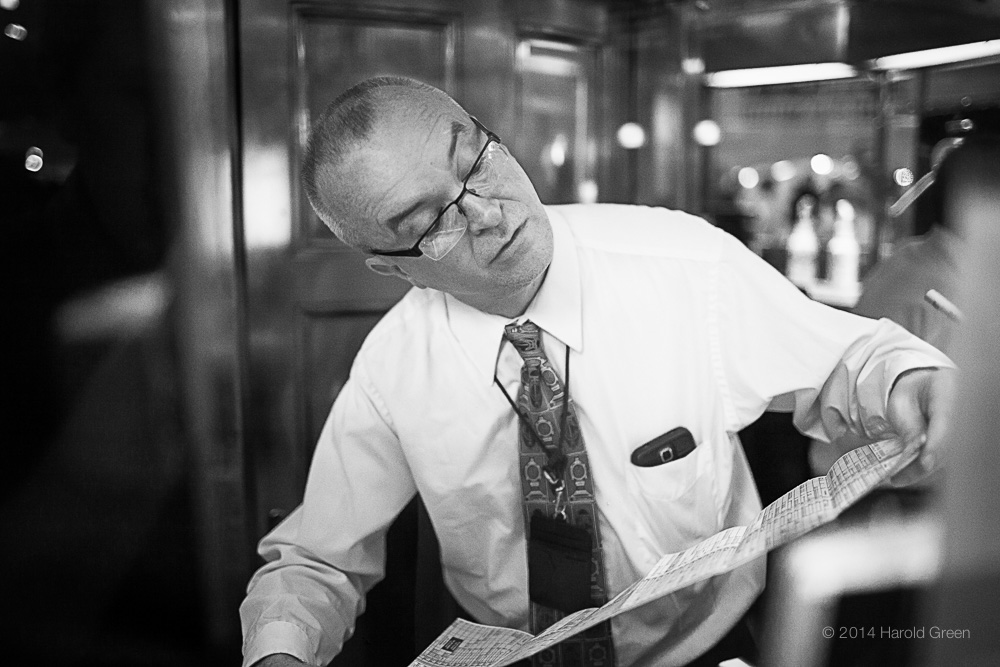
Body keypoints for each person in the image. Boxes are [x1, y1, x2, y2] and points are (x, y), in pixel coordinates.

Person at [239, 76, 956, 667]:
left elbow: (848, 358)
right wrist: (281, 653)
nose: (487, 212)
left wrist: (910, 381)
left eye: (473, 159)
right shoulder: (393, 367)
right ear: (396, 268)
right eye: (429, 222)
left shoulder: (687, 266)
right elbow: (318, 561)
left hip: (702, 646)